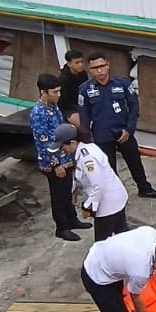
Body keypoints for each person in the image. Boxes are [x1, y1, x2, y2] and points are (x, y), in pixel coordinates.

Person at [77, 50, 156, 199]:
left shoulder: (122, 83)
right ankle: (116, 196)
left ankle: (144, 189)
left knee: (135, 162)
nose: (99, 70)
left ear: (108, 65)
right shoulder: (85, 90)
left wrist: (129, 129)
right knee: (108, 168)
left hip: (124, 132)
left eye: (102, 66)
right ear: (90, 69)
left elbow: (134, 106)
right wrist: (86, 140)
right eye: (95, 68)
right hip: (102, 135)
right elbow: (84, 115)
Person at [29, 76, 90, 241]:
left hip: (65, 156)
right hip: (53, 162)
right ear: (43, 92)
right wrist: (56, 164)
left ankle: (72, 219)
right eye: (55, 92)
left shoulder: (53, 106)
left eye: (59, 91)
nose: (58, 95)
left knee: (69, 191)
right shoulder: (38, 113)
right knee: (59, 195)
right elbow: (43, 142)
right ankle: (62, 227)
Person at [52, 123, 130, 242]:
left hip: (108, 204)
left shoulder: (87, 158)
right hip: (115, 199)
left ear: (72, 142)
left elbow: (99, 186)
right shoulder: (86, 149)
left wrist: (87, 207)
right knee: (122, 236)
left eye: (63, 147)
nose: (62, 151)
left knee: (101, 244)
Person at [58, 49, 87, 125]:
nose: (80, 64)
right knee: (83, 123)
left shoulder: (83, 74)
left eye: (82, 62)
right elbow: (65, 103)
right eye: (77, 63)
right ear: (69, 64)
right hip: (69, 109)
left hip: (83, 103)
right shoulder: (63, 80)